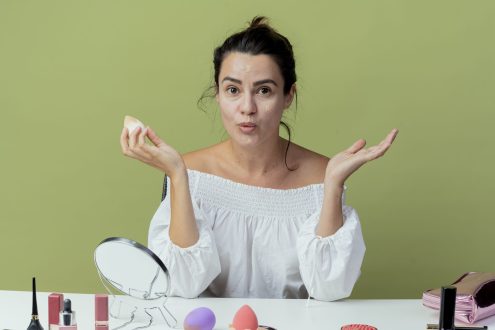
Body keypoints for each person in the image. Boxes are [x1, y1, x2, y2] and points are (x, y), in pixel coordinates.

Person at [120, 16, 398, 301]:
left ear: (288, 95)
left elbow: (329, 290)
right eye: (233, 90)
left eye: (264, 90)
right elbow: (181, 285)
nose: (247, 108)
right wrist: (178, 175)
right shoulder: (191, 172)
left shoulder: (322, 176)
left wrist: (334, 185)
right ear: (217, 93)